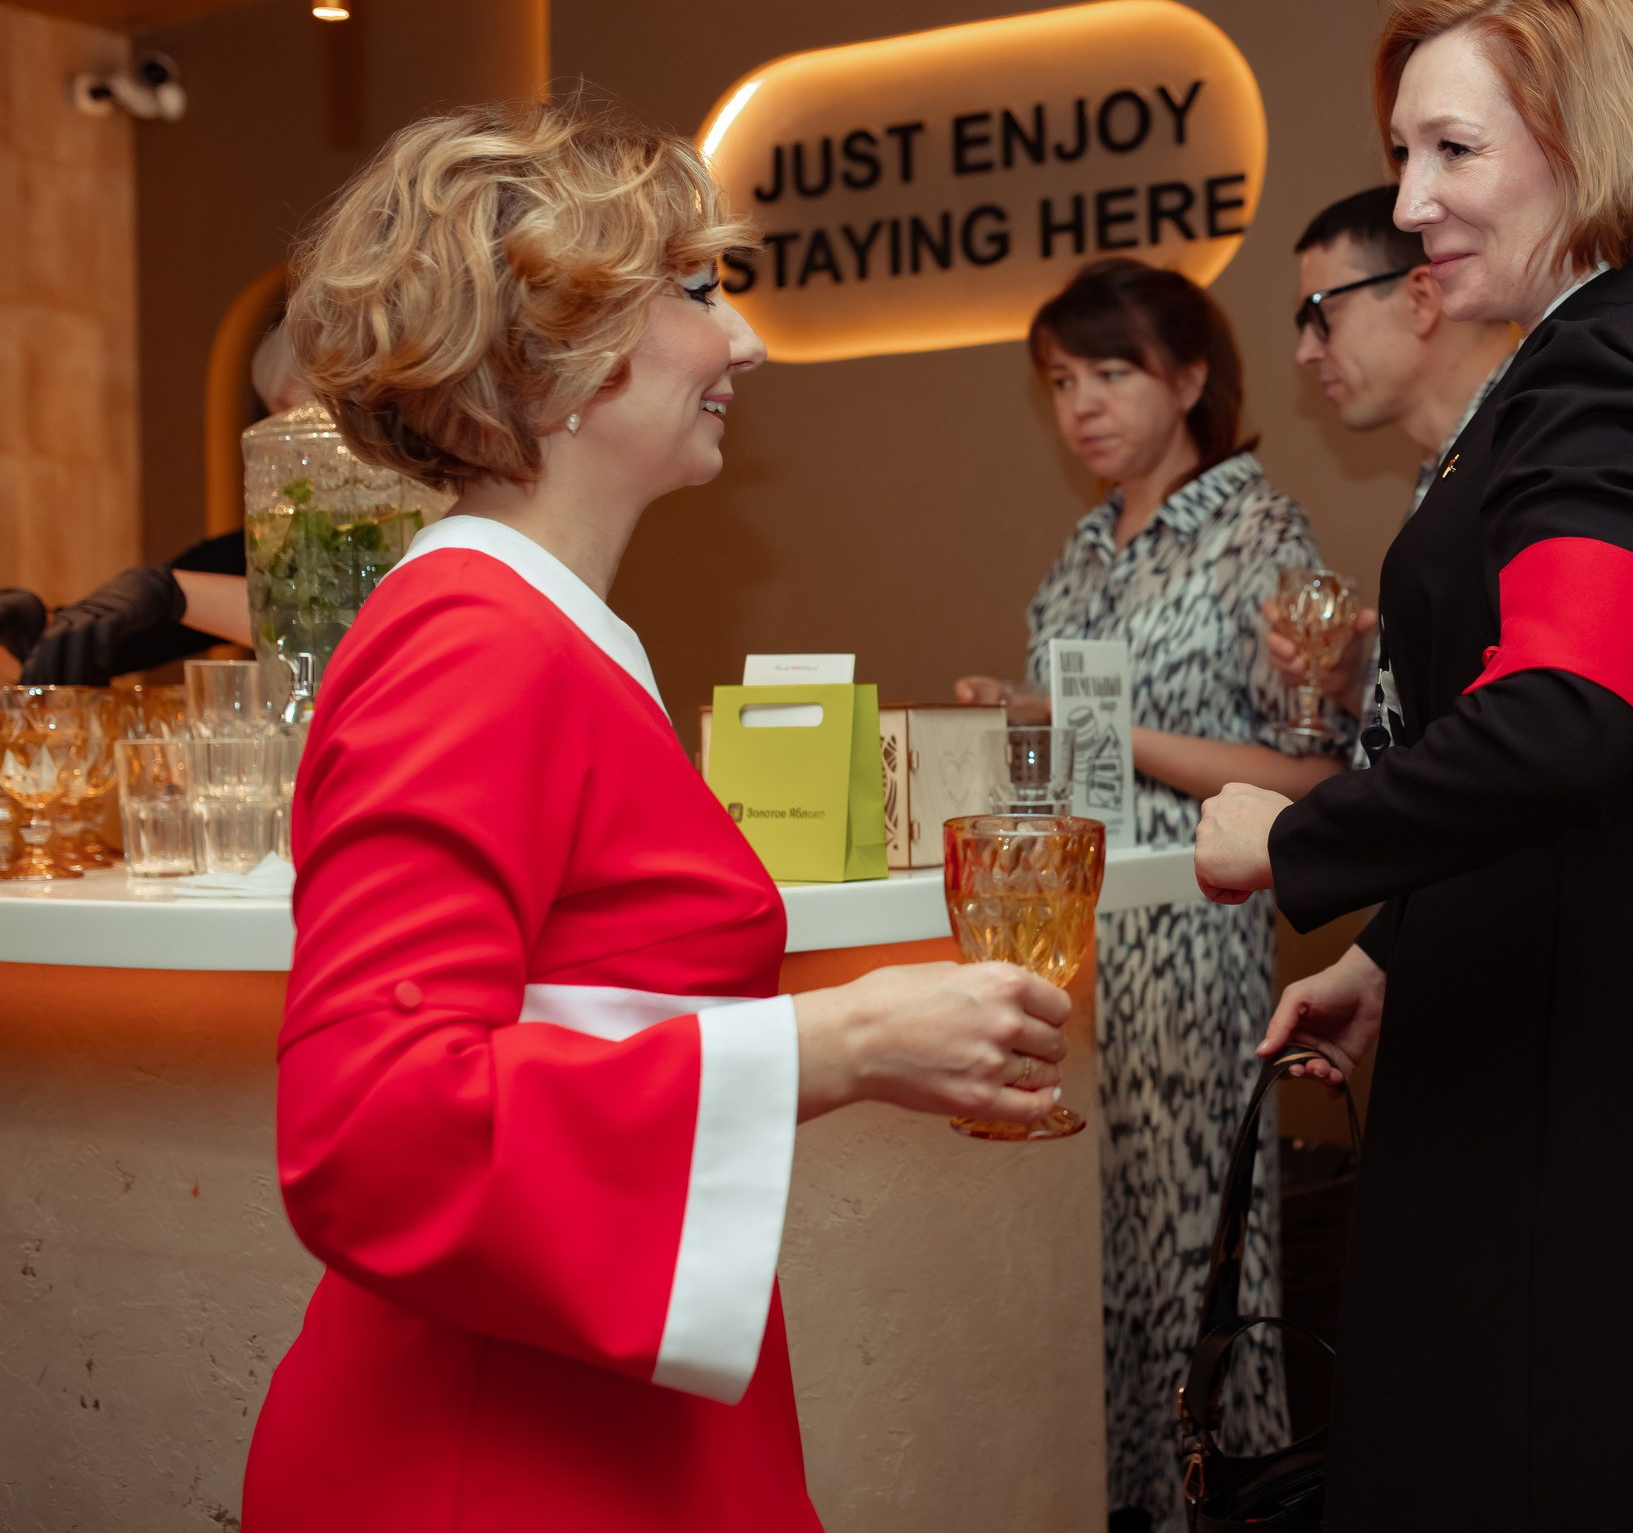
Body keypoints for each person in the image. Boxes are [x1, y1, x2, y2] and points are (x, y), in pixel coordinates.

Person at [241, 101, 1074, 1532]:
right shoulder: (472, 641)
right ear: (545, 356)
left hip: (582, 1416)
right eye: (694, 292)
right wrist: (846, 1039)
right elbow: (371, 1127)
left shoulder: (543, 633)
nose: (743, 342)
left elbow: (580, 999)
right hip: (498, 1457)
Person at [1191, 0, 1633, 1527]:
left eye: (1454, 151)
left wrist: (1294, 841)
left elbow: (1563, 723)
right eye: (1403, 154)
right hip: (1564, 1030)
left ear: (1584, 150)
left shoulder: (1600, 390)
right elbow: (1578, 761)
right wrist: (1399, 951)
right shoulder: (1585, 374)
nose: (1416, 201)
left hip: (1605, 1090)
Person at [953, 256, 1350, 1533]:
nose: (1082, 404)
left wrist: (1085, 723)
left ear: (1188, 378)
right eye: (1062, 380)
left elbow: (1312, 769)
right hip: (1079, 952)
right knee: (1096, 1275)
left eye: (1111, 372)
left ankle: (1223, 1510)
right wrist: (1011, 740)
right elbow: (1064, 749)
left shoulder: (1256, 530)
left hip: (1194, 939)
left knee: (1198, 1271)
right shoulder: (1081, 550)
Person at [1262, 186, 1518, 727]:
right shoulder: (1456, 460)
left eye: (1321, 312)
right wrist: (1359, 681)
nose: (1306, 352)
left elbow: (1531, 730)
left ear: (1421, 299)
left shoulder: (1526, 450)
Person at [1, 326, 305, 683]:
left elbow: (329, 634)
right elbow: (133, 635)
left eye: (296, 417)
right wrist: (47, 628)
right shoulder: (269, 543)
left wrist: (175, 593)